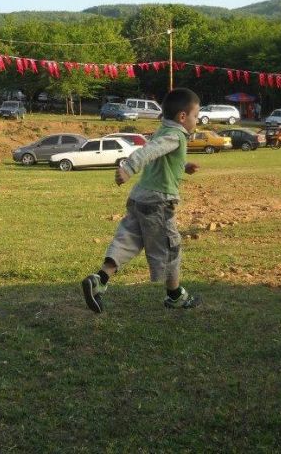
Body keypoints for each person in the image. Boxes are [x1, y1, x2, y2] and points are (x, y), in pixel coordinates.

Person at [82, 88, 202, 313]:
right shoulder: (174, 135)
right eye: (196, 115)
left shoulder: (163, 130)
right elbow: (150, 151)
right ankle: (175, 296)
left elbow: (160, 157)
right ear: (182, 117)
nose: (197, 121)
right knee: (169, 247)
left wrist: (183, 166)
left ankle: (99, 280)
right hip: (158, 202)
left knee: (128, 240)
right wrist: (128, 168)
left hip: (140, 199)